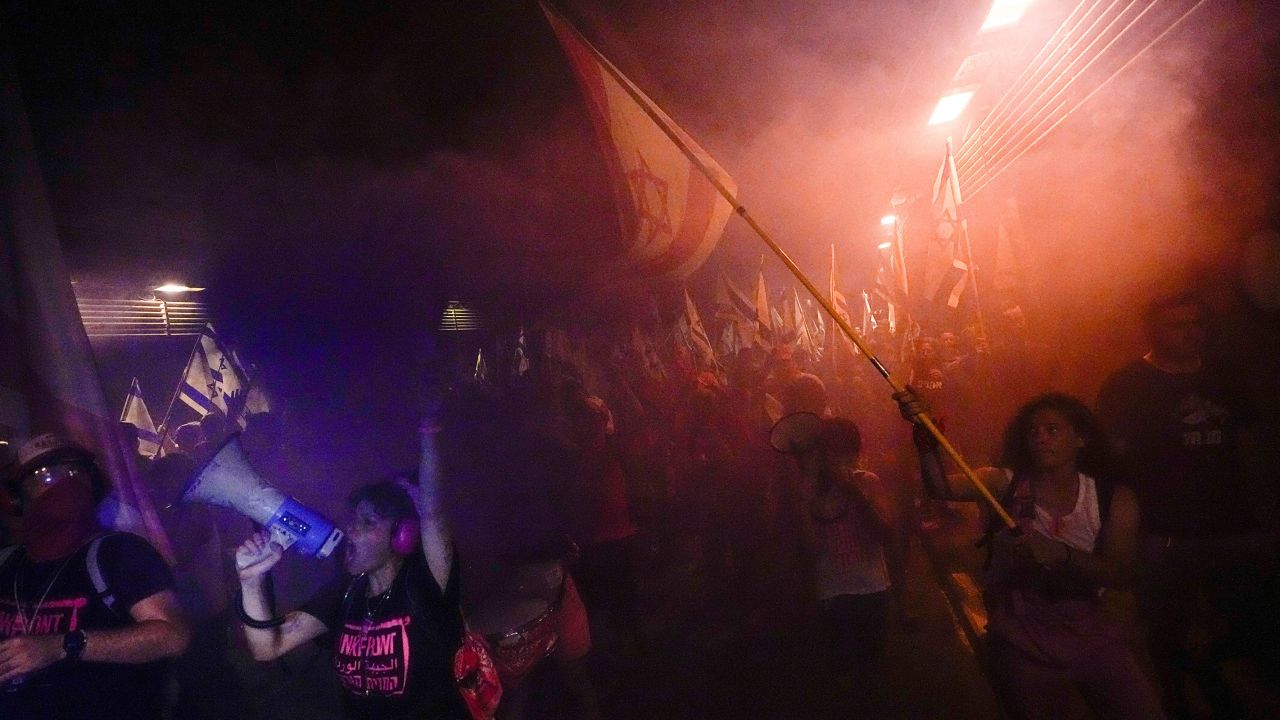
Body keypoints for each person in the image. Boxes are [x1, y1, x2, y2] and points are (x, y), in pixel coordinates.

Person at [896, 392, 1166, 720]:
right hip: (1020, 637)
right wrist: (926, 441)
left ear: (1081, 439)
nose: (1039, 438)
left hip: (1089, 630)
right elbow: (940, 488)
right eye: (1033, 431)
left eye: (1052, 430)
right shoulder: (1005, 482)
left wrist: (1061, 555)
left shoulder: (1111, 497)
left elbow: (1122, 574)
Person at [1096, 291, 1276, 719]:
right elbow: (1113, 462)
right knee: (1166, 629)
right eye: (1177, 325)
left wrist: (1265, 515)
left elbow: (1250, 448)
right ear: (1153, 329)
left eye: (1197, 324)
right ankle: (1175, 704)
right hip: (1164, 531)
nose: (1190, 333)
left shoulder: (1223, 379)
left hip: (1231, 527)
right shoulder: (1127, 385)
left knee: (1241, 625)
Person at [235, 418, 472, 720]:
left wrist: (429, 429)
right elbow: (267, 647)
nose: (351, 530)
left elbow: (433, 513)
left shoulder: (425, 582)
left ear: (402, 536)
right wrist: (251, 582)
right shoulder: (345, 594)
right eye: (353, 519)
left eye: (368, 522)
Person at [0, 433, 191, 720]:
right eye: (46, 477)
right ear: (18, 499)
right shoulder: (8, 563)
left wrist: (62, 646)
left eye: (75, 472)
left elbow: (173, 636)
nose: (66, 483)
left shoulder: (120, 552)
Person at [783, 414, 896, 710]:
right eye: (835, 452)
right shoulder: (809, 494)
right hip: (833, 593)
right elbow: (810, 548)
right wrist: (804, 503)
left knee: (870, 669)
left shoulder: (868, 483)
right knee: (841, 669)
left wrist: (855, 492)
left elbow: (886, 533)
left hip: (872, 590)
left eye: (849, 452)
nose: (843, 460)